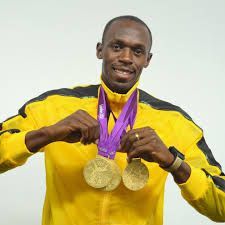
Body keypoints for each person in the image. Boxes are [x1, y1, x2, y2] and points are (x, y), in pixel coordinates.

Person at [0, 15, 225, 225]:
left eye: (137, 51)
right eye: (117, 47)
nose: (126, 58)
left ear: (148, 59)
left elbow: (221, 206)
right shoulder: (53, 105)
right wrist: (48, 134)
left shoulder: (175, 121)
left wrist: (172, 162)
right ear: (100, 50)